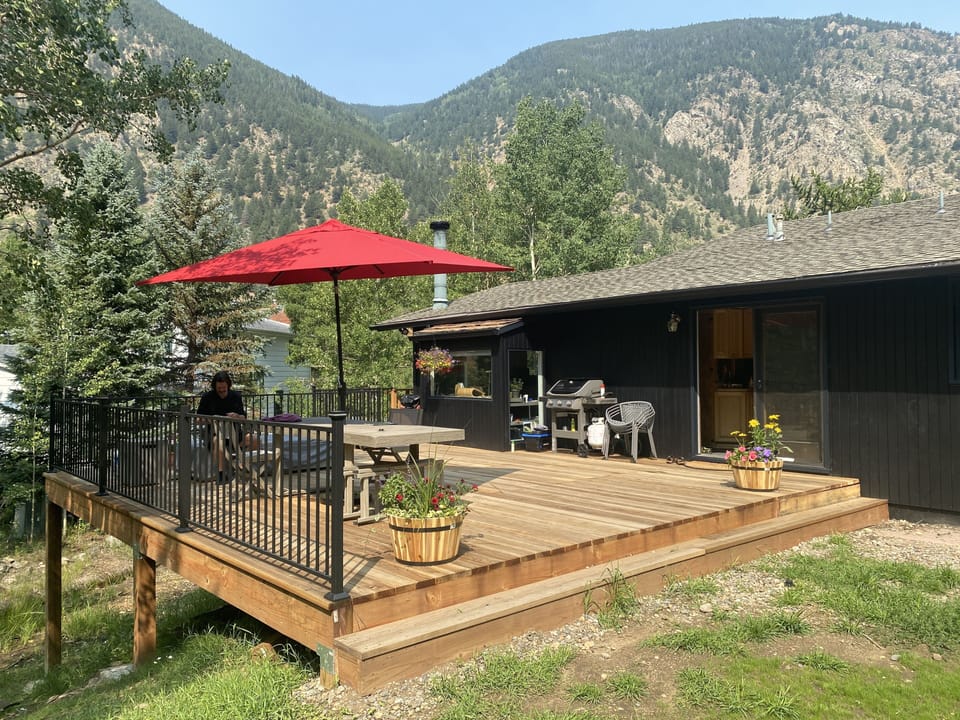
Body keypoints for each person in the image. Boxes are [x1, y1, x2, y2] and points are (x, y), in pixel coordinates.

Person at [197, 371, 255, 482]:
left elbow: (243, 418)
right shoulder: (207, 397)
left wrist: (237, 416)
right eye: (219, 388)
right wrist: (212, 419)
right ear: (215, 386)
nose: (222, 390)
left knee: (254, 439)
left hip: (235, 432)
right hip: (213, 432)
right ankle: (221, 474)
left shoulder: (236, 396)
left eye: (224, 387)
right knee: (218, 441)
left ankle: (245, 468)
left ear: (228, 385)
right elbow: (198, 420)